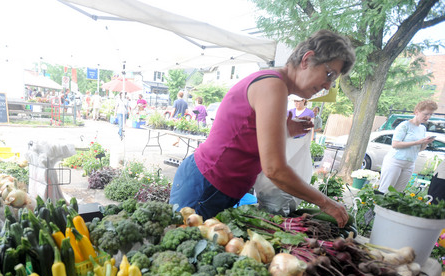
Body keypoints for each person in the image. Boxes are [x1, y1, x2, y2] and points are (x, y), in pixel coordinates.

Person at [169, 29, 355, 226]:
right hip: (206, 184)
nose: (327, 86)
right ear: (307, 60)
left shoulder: (275, 84)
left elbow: (245, 134)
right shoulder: (273, 86)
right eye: (329, 74)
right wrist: (325, 203)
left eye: (333, 81)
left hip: (217, 186)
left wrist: (285, 130)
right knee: (179, 249)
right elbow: (275, 169)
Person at [378, 100, 438, 193]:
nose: (428, 117)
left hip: (410, 164)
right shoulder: (404, 125)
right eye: (426, 114)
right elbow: (395, 144)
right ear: (417, 112)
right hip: (395, 161)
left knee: (397, 193)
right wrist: (417, 142)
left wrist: (425, 143)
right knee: (385, 190)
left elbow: (418, 149)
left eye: (430, 114)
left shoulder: (422, 128)